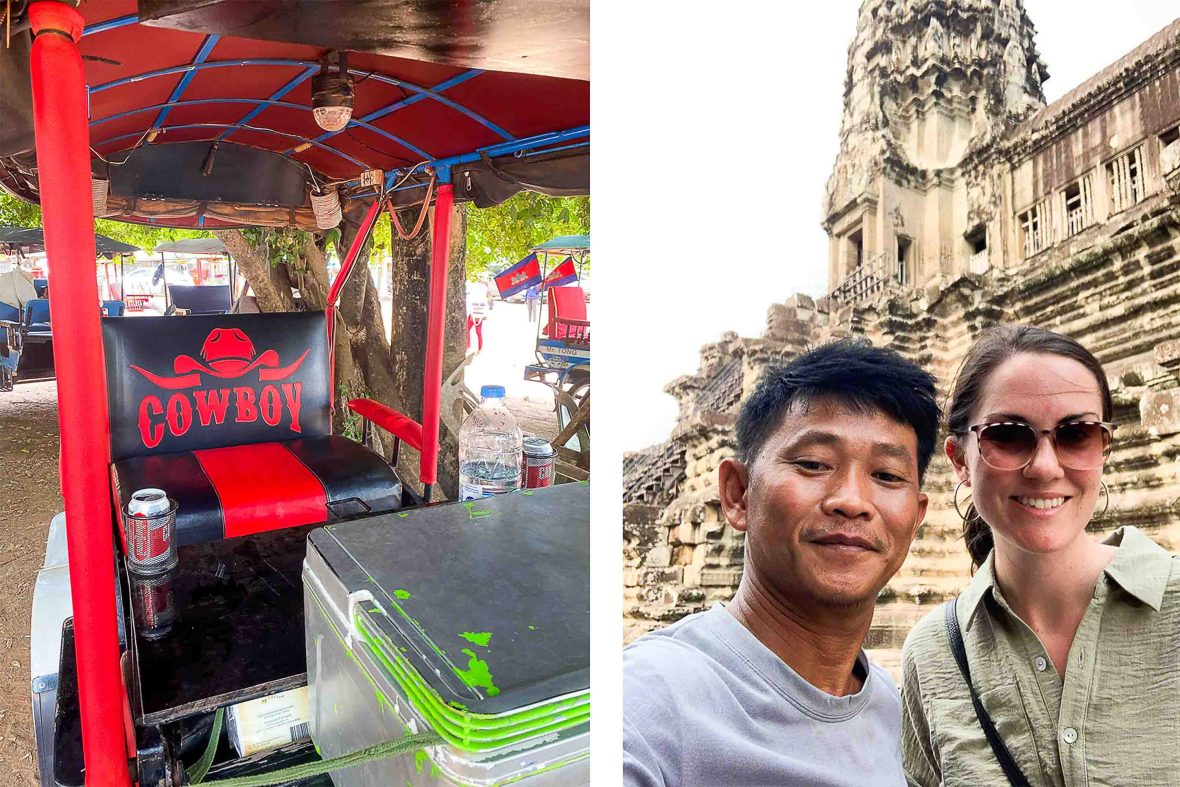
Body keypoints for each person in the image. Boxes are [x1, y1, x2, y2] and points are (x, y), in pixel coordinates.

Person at [624, 340, 940, 786]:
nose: (852, 500)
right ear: (738, 494)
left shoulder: (897, 716)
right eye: (813, 464)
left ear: (916, 518)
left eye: (887, 475)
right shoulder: (651, 701)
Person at [902, 324, 1180, 786]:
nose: (1046, 467)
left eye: (1077, 435)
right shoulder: (932, 656)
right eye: (1009, 436)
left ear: (1104, 449)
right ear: (959, 460)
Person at [465, 281, 489, 352]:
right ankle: (469, 346)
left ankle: (478, 348)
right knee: (468, 330)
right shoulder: (476, 287)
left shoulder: (483, 288)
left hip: (479, 314)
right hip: (475, 313)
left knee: (477, 332)